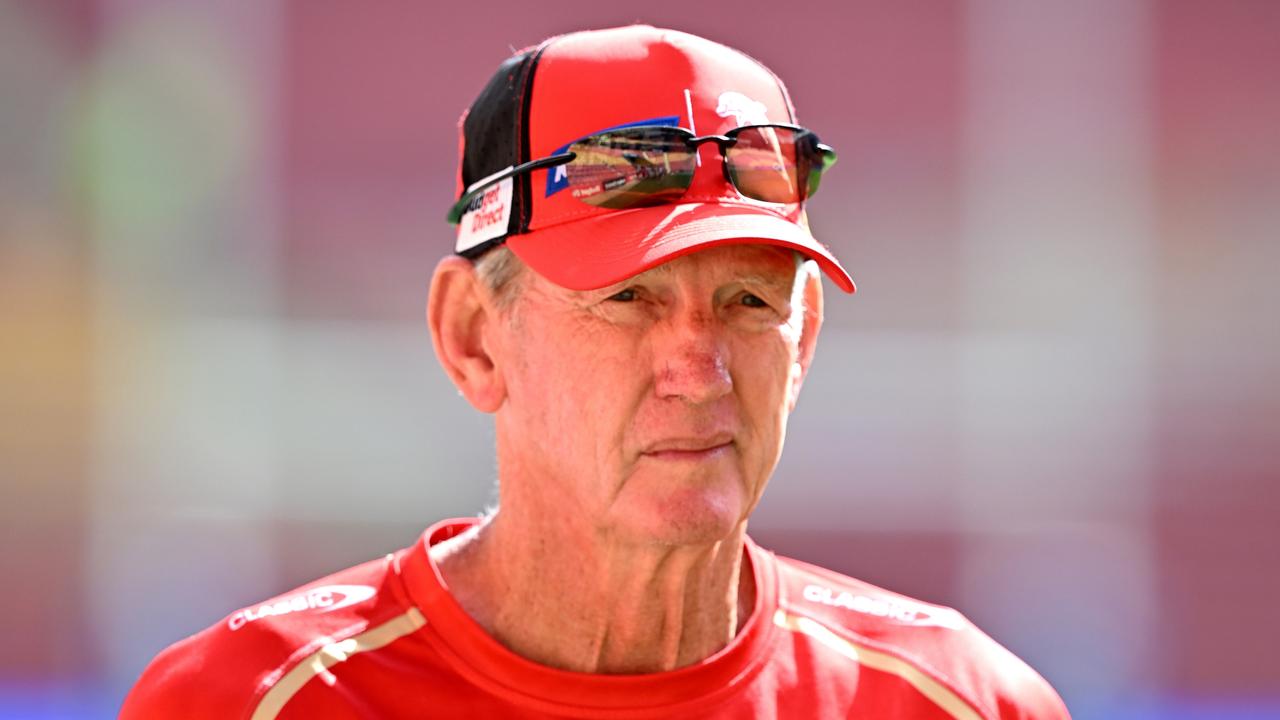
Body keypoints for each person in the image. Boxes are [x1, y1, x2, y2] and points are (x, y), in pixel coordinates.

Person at [121, 24, 1070, 719]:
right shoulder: (242, 703)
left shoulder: (963, 703)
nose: (700, 370)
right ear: (473, 339)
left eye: (748, 303)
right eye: (628, 299)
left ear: (804, 339)